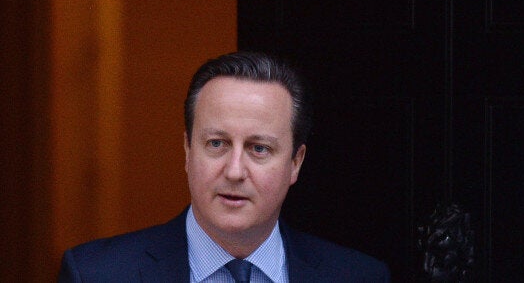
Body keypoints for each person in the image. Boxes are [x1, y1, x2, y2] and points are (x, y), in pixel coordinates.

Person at [58, 51, 391, 282]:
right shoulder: (97, 274)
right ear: (188, 150)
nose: (234, 171)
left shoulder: (357, 276)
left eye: (259, 149)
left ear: (295, 162)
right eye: (216, 144)